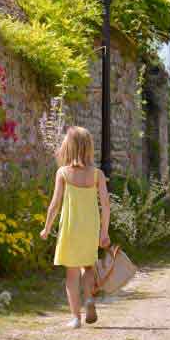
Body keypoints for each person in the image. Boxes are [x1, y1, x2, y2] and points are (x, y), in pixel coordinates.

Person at [40, 126, 111, 329]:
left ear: (68, 148)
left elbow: (55, 204)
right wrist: (104, 232)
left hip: (70, 228)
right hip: (90, 228)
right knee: (87, 267)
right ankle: (89, 299)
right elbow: (105, 205)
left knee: (71, 275)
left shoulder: (63, 173)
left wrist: (46, 228)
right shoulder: (97, 174)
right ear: (89, 148)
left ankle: (75, 318)